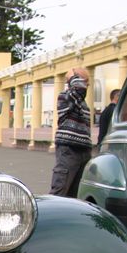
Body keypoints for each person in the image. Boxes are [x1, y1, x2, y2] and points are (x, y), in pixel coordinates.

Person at [50, 68, 92, 197]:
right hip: (69, 149)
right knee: (60, 189)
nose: (87, 84)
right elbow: (80, 89)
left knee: (76, 193)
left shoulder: (81, 102)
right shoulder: (66, 96)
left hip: (83, 150)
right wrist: (72, 74)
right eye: (85, 80)